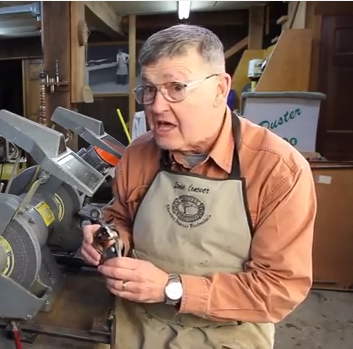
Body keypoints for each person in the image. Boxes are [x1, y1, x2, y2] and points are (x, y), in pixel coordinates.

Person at [80, 24, 316, 349]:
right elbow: (120, 216)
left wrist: (171, 288)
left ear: (220, 88)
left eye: (176, 87)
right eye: (149, 89)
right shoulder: (138, 154)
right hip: (136, 331)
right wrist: (109, 237)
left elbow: (278, 291)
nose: (157, 106)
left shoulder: (278, 170)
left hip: (227, 337)